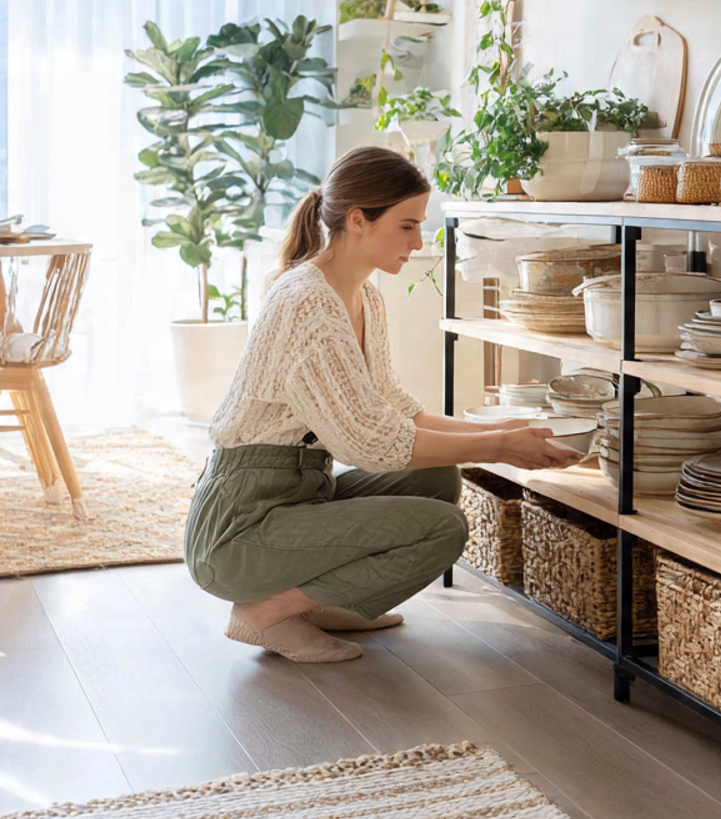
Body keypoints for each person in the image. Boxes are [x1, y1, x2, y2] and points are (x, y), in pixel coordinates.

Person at [183, 146, 577, 664]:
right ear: (357, 221)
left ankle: (320, 600)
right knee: (443, 528)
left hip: (300, 494)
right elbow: (370, 443)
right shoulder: (307, 302)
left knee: (437, 480)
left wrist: (492, 429)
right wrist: (498, 445)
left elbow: (393, 409)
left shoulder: (362, 296)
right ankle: (267, 612)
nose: (418, 242)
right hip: (238, 529)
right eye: (408, 226)